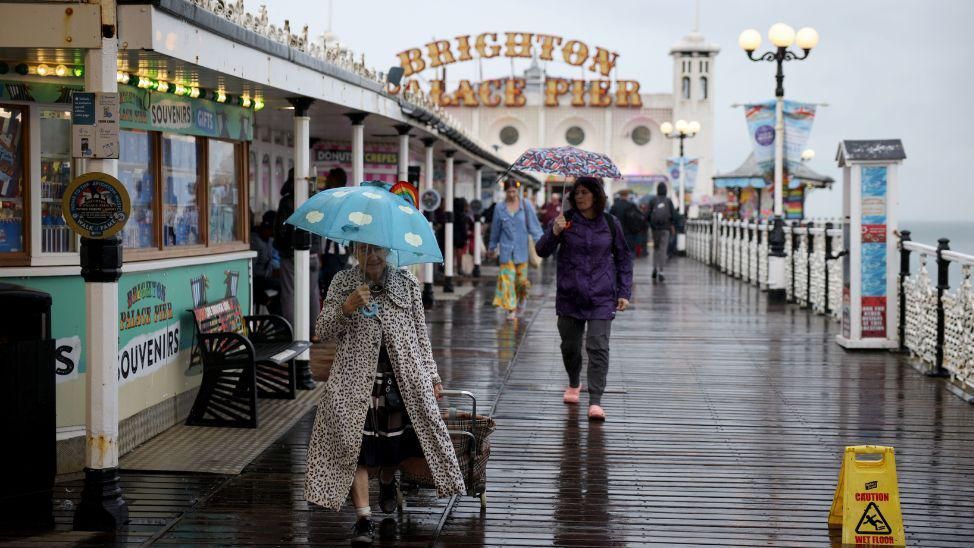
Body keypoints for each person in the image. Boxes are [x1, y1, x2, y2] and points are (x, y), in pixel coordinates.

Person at [305, 243, 466, 545]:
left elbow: (421, 334)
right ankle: (364, 519)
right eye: (364, 250)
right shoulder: (342, 282)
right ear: (355, 251)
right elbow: (322, 330)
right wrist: (347, 308)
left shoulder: (407, 283)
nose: (372, 256)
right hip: (353, 381)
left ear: (388, 251)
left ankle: (388, 480)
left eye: (377, 249)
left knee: (393, 448)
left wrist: (433, 374)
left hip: (401, 379)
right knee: (356, 448)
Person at [535, 176, 633, 421]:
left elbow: (623, 259)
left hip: (602, 296)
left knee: (598, 347)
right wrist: (554, 232)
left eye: (585, 192)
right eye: (576, 192)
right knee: (570, 347)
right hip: (570, 295)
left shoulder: (611, 223)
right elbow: (541, 250)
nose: (579, 196)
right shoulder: (565, 221)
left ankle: (596, 400)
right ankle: (574, 381)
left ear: (597, 195)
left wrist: (624, 292)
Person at [487, 179, 544, 321]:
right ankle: (511, 309)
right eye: (509, 191)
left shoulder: (526, 206)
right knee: (507, 280)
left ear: (517, 191)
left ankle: (521, 302)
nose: (512, 194)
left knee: (520, 282)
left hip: (522, 252)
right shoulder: (499, 208)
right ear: (505, 192)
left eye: (514, 191)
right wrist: (492, 247)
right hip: (506, 252)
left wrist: (543, 243)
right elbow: (495, 230)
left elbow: (534, 227)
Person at [251, 211, 280, 315]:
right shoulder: (255, 242)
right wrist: (269, 273)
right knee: (281, 285)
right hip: (256, 280)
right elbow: (251, 271)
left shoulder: (269, 241)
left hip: (266, 277)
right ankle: (278, 323)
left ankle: (278, 319)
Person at [646, 182, 676, 282]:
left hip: (655, 229)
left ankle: (654, 268)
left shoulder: (653, 200)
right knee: (663, 250)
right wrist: (672, 226)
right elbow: (674, 215)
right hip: (665, 229)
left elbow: (647, 215)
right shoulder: (668, 201)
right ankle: (661, 271)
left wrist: (651, 225)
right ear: (666, 190)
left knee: (656, 249)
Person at [609, 190, 647, 257]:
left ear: (620, 196)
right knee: (630, 252)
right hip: (630, 233)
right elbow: (639, 217)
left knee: (618, 253)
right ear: (627, 196)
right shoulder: (631, 205)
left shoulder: (615, 206)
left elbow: (610, 218)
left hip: (618, 232)